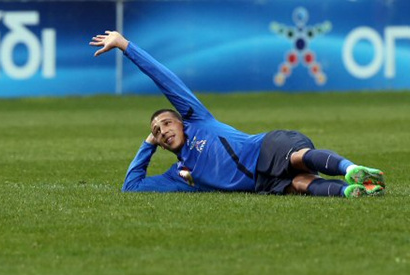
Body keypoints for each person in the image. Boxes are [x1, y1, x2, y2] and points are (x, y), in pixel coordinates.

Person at [89, 31, 385, 197]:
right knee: (299, 184)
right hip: (261, 183)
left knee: (296, 158)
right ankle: (354, 191)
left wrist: (126, 46)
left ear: (180, 120)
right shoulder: (180, 176)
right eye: (157, 131)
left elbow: (165, 79)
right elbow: (132, 187)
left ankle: (351, 169)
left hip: (267, 147)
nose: (162, 130)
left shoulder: (197, 119)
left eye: (166, 122)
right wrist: (147, 144)